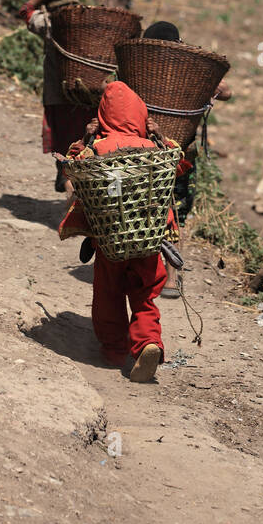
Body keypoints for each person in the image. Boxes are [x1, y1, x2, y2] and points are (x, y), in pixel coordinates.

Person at [57, 81, 183, 383]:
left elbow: (71, 168)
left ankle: (114, 351)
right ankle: (148, 343)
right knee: (144, 297)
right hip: (148, 240)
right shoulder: (155, 150)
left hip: (110, 240)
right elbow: (178, 163)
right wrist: (159, 136)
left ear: (103, 115)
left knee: (108, 296)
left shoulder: (98, 149)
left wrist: (84, 139)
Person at [139, 20, 231, 298]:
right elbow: (226, 91)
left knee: (143, 208)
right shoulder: (189, 69)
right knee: (176, 212)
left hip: (143, 152)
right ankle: (171, 278)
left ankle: (141, 272)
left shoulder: (139, 67)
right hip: (180, 154)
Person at [18, 0, 90, 192]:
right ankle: (71, 185)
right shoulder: (89, 26)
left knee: (66, 149)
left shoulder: (49, 23)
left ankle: (66, 178)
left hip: (59, 99)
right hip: (87, 99)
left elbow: (25, 11)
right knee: (83, 150)